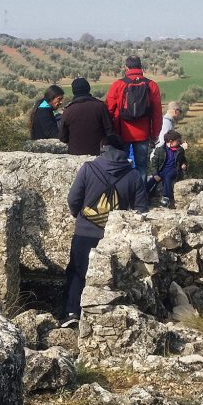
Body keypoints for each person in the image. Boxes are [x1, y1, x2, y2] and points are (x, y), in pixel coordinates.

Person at [62, 134, 150, 327]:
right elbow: (141, 209)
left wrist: (80, 216)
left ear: (102, 148)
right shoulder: (133, 175)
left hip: (85, 231)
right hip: (113, 237)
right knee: (111, 278)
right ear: (124, 151)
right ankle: (104, 319)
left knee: (77, 272)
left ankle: (72, 313)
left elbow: (73, 199)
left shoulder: (88, 169)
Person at [105, 56, 163, 175]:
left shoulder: (118, 85)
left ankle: (124, 192)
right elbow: (157, 113)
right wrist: (155, 134)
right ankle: (141, 193)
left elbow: (109, 110)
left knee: (121, 165)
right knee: (141, 167)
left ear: (126, 67)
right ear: (141, 66)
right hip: (143, 133)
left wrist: (109, 131)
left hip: (122, 132)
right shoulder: (152, 85)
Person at [58, 77, 113, 156]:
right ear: (88, 89)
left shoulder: (68, 111)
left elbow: (63, 137)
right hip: (99, 155)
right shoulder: (100, 106)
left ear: (74, 92)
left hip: (76, 156)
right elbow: (110, 131)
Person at [147, 129, 189, 208]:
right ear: (171, 141)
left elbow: (183, 159)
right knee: (152, 181)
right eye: (178, 140)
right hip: (161, 171)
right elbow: (154, 163)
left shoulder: (179, 150)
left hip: (174, 170)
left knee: (168, 178)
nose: (180, 142)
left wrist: (184, 164)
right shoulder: (160, 150)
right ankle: (145, 194)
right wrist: (155, 174)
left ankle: (166, 198)